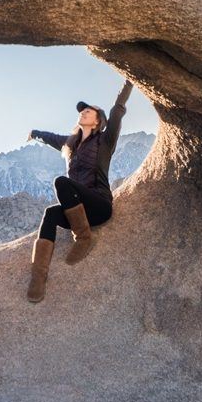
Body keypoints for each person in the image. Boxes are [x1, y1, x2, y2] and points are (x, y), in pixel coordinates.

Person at [25, 78, 134, 303]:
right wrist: (34, 133)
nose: (83, 112)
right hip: (79, 211)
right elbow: (49, 137)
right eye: (82, 111)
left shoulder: (105, 141)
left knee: (61, 182)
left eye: (88, 111)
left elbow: (117, 110)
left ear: (97, 121)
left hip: (99, 206)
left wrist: (129, 81)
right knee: (50, 214)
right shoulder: (70, 143)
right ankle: (38, 277)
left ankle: (83, 238)